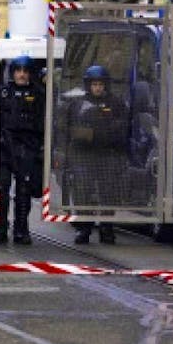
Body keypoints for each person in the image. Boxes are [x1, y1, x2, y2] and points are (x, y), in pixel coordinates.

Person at [58, 65, 129, 245]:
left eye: (100, 84)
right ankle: (84, 228)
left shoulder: (116, 104)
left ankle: (107, 228)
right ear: (88, 85)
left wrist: (96, 134)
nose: (97, 88)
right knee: (83, 192)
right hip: (84, 156)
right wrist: (94, 134)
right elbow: (71, 130)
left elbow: (121, 129)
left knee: (108, 192)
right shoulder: (78, 104)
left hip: (107, 155)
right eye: (94, 84)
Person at [0, 56, 44, 245]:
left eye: (25, 71)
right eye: (18, 70)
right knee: (1, 189)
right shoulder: (3, 93)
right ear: (12, 72)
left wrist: (39, 148)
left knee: (23, 191)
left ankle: (21, 229)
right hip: (5, 148)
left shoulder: (39, 94)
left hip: (27, 149)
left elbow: (44, 123)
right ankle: (0, 227)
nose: (21, 74)